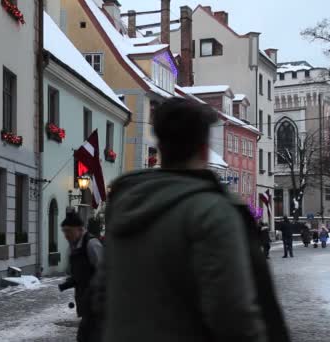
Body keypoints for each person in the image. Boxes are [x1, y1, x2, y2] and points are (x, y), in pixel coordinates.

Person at [103, 98, 290, 342]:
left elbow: (101, 295)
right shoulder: (212, 211)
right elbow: (232, 314)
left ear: (161, 148)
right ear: (204, 149)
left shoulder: (124, 204)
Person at [58, 210, 104, 342]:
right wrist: (69, 283)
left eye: (69, 231)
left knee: (86, 337)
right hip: (86, 302)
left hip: (96, 303)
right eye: (64, 231)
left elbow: (104, 271)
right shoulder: (74, 246)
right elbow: (82, 273)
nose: (66, 235)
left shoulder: (91, 244)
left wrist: (95, 294)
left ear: (79, 229)